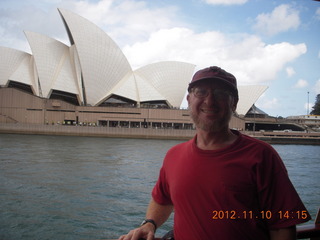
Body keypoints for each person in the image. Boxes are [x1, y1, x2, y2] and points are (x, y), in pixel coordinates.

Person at [119, 66, 311, 240]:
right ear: (188, 100)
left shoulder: (261, 155)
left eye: (220, 93)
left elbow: (282, 225)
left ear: (234, 103)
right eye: (201, 92)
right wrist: (150, 223)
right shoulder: (173, 156)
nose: (209, 100)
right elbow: (162, 199)